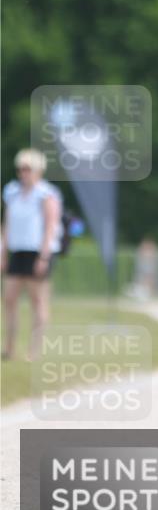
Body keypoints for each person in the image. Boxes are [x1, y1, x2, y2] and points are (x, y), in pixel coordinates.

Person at [1, 149, 62, 361]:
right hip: (18, 250)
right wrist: (2, 252)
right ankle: (9, 347)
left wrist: (43, 257)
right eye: (21, 169)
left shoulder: (46, 193)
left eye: (27, 169)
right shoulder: (12, 192)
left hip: (38, 251)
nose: (23, 173)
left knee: (38, 301)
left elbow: (51, 226)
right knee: (9, 299)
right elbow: (7, 224)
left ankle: (35, 350)